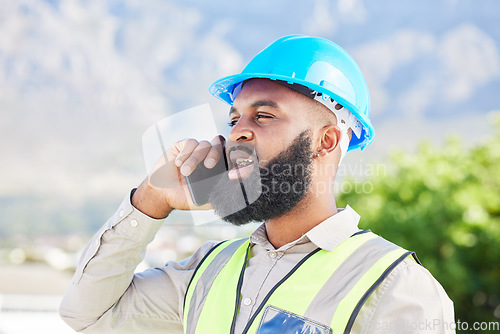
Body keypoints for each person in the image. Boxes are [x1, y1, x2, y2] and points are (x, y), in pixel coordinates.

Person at [59, 35, 455, 334]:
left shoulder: (397, 287)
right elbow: (87, 312)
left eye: (263, 116)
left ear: (327, 141)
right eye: (234, 120)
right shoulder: (208, 271)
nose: (237, 135)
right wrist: (152, 199)